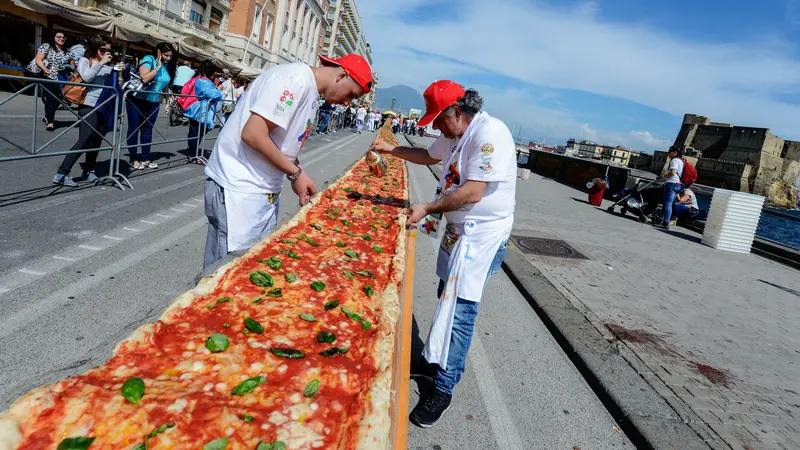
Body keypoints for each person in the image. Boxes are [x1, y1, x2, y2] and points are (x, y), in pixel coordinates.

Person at [370, 81, 516, 428]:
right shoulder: (453, 133)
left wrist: (427, 207)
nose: (435, 126)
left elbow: (472, 191)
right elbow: (428, 156)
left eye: (439, 119)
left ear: (459, 113)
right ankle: (434, 360)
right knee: (443, 294)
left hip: (482, 235)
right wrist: (391, 150)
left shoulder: (490, 134)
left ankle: (444, 387)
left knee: (461, 310)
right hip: (457, 230)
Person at [202, 53, 373, 271]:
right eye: (352, 94)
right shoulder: (295, 79)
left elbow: (282, 143)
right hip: (238, 187)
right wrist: (295, 174)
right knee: (225, 272)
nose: (348, 102)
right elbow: (253, 134)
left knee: (251, 266)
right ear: (341, 76)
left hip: (260, 189)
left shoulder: (309, 89)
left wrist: (298, 171)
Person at [53, 35, 124, 187]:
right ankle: (61, 173)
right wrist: (101, 63)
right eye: (102, 50)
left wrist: (118, 72)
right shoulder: (86, 61)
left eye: (108, 51)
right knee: (84, 139)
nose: (105, 53)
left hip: (105, 106)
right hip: (88, 105)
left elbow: (116, 85)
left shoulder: (108, 65)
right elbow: (87, 77)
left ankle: (89, 170)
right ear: (94, 48)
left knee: (96, 140)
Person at [126, 42, 175, 170]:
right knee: (134, 128)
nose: (168, 58)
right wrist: (158, 67)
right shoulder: (149, 59)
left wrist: (168, 101)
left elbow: (164, 85)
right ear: (158, 51)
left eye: (170, 56)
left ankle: (146, 158)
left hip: (153, 102)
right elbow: (144, 78)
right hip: (137, 99)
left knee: (147, 130)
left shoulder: (167, 66)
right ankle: (133, 159)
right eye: (166, 55)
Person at [181, 60, 223, 162]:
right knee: (197, 132)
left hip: (195, 108)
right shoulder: (203, 81)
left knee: (195, 132)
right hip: (199, 110)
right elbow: (216, 95)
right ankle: (193, 154)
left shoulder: (197, 78)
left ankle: (193, 153)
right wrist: (219, 89)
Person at [35, 32, 75, 131]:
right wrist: (44, 68)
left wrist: (68, 70)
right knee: (51, 99)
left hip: (62, 80)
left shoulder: (68, 51)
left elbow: (72, 65)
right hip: (49, 77)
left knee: (58, 100)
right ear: (54, 38)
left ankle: (47, 116)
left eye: (63, 37)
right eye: (59, 37)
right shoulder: (47, 46)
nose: (61, 39)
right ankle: (50, 123)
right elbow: (38, 59)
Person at [654, 146, 684, 229]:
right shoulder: (681, 161)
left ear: (675, 153)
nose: (668, 153)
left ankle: (665, 223)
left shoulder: (674, 160)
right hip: (679, 184)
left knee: (668, 204)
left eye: (669, 152)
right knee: (669, 203)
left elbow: (673, 173)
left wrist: (665, 176)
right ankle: (663, 220)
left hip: (672, 184)